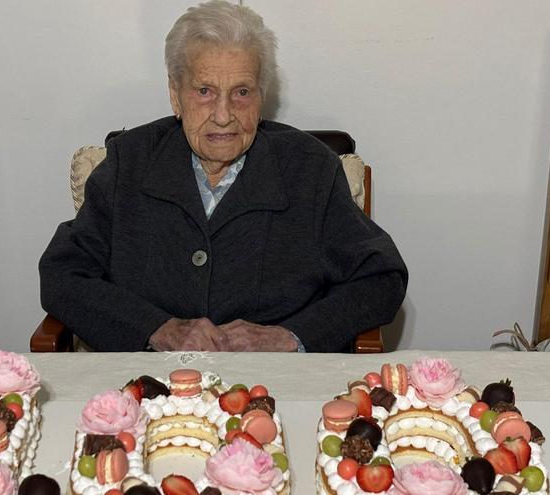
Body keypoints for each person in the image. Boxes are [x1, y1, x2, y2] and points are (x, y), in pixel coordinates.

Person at [39, 0, 407, 352]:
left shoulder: (310, 170)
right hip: (149, 386)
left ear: (262, 96)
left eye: (242, 92)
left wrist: (290, 336)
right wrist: (155, 328)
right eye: (204, 91)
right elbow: (62, 274)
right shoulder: (129, 162)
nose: (223, 114)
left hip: (273, 386)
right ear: (175, 95)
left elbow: (382, 278)